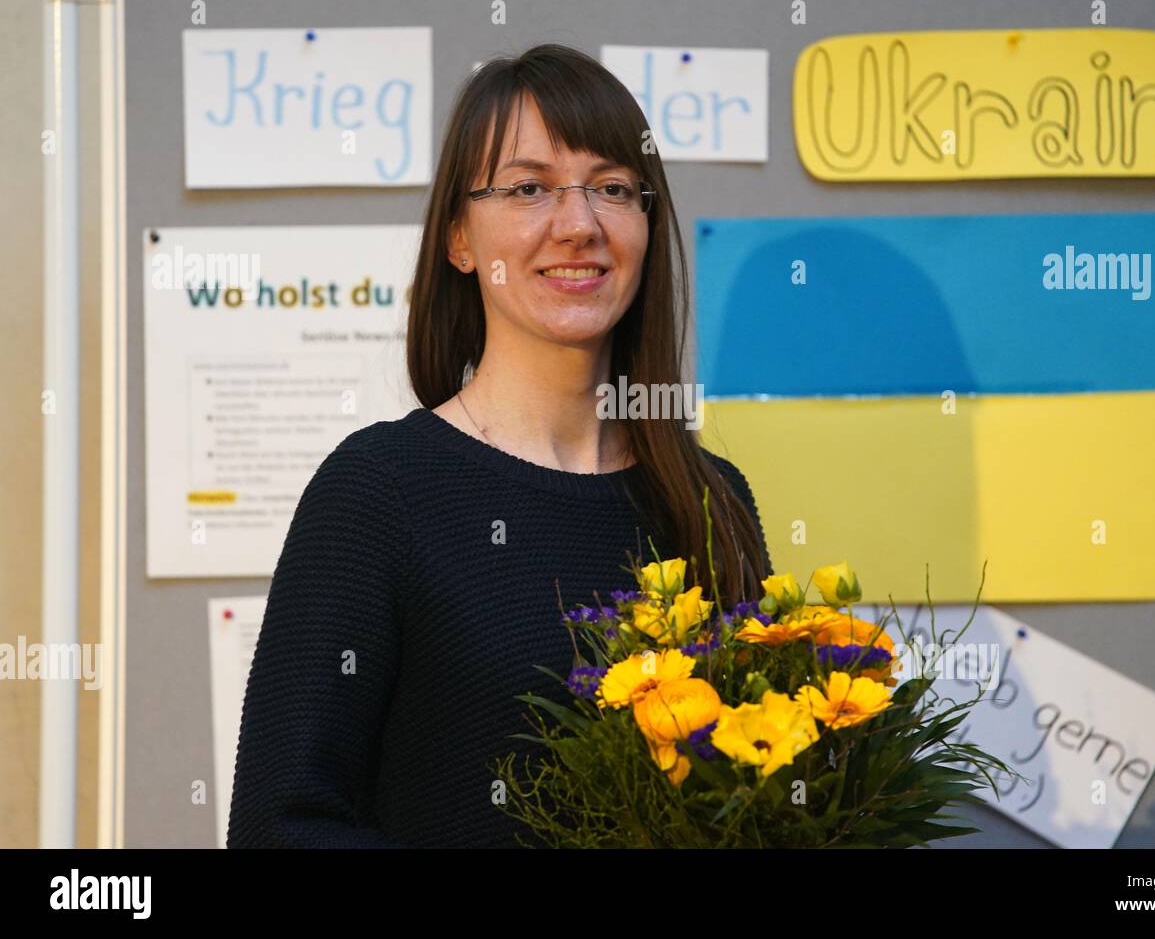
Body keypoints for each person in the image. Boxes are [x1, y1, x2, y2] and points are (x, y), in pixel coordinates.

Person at [226, 43, 772, 848]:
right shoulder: (377, 493)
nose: (579, 224)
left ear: (647, 226)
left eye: (613, 188)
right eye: (529, 188)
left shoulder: (713, 499)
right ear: (459, 238)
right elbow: (282, 827)